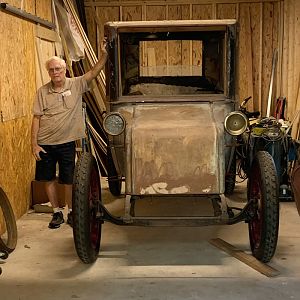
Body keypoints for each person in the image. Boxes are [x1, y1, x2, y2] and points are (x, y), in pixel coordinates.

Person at [31, 40, 108, 229]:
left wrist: (104, 55)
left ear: (64, 70)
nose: (55, 72)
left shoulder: (76, 84)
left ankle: (72, 212)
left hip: (66, 142)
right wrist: (34, 144)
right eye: (51, 70)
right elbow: (36, 118)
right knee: (48, 179)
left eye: (58, 68)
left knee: (67, 179)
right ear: (48, 72)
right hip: (45, 142)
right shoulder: (42, 92)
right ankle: (57, 213)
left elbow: (94, 72)